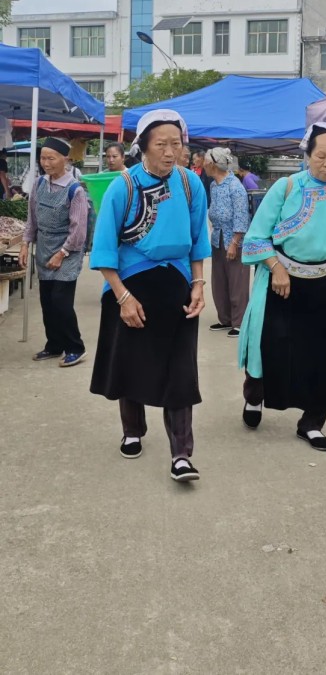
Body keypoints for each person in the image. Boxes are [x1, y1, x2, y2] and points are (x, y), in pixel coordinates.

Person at [89, 109, 211, 483]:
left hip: (176, 285)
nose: (171, 152)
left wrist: (198, 284)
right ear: (142, 146)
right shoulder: (122, 186)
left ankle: (181, 455)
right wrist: (123, 297)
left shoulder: (191, 184)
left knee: (180, 370)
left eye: (177, 144)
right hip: (131, 285)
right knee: (131, 362)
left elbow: (197, 242)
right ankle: (132, 430)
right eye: (162, 144)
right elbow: (104, 249)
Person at [238, 122, 326, 451]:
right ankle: (255, 397)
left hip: (325, 285)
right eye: (321, 155)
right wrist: (276, 267)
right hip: (282, 283)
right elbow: (256, 237)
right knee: (270, 348)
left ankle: (312, 423)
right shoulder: (286, 187)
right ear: (307, 155)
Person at [18, 137, 89, 367]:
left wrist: (62, 253)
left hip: (68, 251)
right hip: (44, 249)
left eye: (51, 158)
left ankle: (75, 347)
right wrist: (25, 244)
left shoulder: (75, 191)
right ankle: (54, 345)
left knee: (61, 301)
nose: (46, 163)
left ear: (65, 159)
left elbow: (78, 231)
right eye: (43, 158)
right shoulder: (39, 184)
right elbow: (32, 219)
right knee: (47, 301)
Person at [204, 147, 250, 337]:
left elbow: (241, 216)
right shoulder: (214, 185)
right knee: (220, 279)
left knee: (237, 280)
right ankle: (225, 318)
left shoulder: (235, 186)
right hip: (218, 237)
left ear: (211, 164)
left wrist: (234, 242)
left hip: (233, 238)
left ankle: (239, 321)